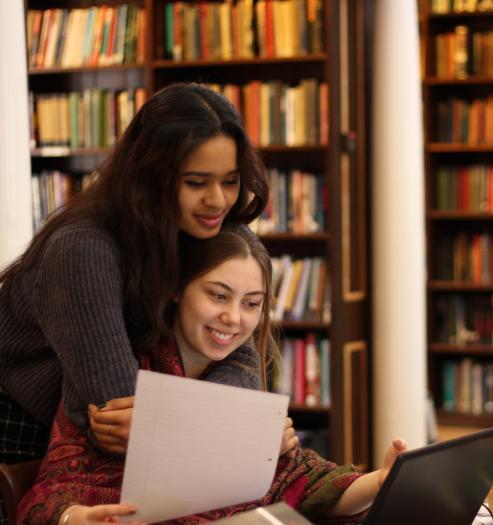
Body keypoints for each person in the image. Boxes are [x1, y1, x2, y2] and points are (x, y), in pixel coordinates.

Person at [18, 228, 406, 525]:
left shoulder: (242, 377)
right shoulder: (116, 373)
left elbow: (299, 482)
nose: (234, 318)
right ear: (176, 290)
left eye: (251, 303)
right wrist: (75, 517)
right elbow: (49, 494)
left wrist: (383, 481)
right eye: (218, 295)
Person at [0, 82, 270, 468]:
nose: (218, 200)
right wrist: (222, 420)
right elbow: (117, 414)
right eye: (196, 182)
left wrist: (183, 420)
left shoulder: (219, 233)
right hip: (24, 434)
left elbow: (243, 362)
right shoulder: (81, 249)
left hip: (148, 443)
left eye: (230, 180)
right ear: (149, 177)